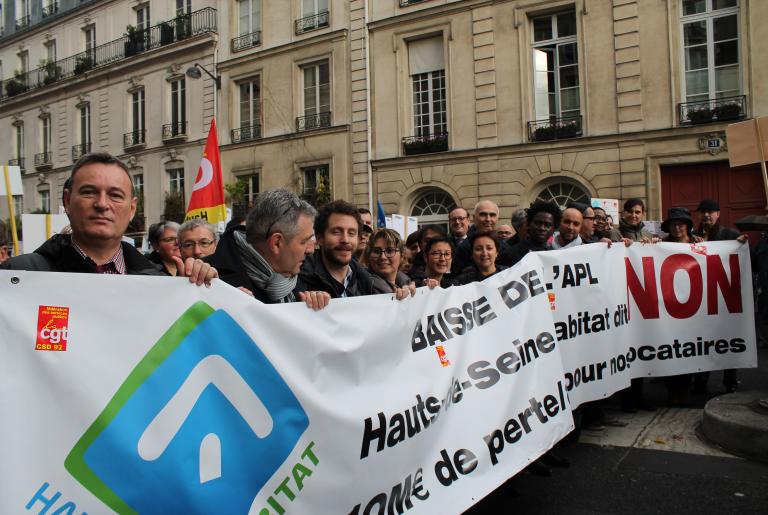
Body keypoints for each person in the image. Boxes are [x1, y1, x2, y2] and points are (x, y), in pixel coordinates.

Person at [2, 152, 216, 285]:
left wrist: (194, 293)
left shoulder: (159, 283)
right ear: (67, 201)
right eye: (88, 192)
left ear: (132, 208)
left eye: (115, 195)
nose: (102, 204)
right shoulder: (19, 276)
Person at [204, 188, 329, 309]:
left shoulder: (305, 279)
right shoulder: (207, 279)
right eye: (304, 241)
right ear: (276, 243)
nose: (311, 250)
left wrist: (312, 310)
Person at [691, 199, 746, 394]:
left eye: (711, 211)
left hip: (722, 298)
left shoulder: (731, 236)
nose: (706, 215)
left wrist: (741, 245)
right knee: (701, 342)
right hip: (699, 299)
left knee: (726, 339)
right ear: (698, 215)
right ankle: (700, 382)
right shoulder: (691, 236)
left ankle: (729, 381)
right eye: (703, 211)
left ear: (718, 214)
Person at [295, 200, 380, 298]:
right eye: (336, 232)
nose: (345, 240)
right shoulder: (298, 281)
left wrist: (400, 299)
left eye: (351, 233)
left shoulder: (367, 281)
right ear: (319, 238)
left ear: (358, 239)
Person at [660, 207, 697, 406]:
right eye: (673, 224)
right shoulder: (661, 245)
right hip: (667, 308)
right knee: (670, 351)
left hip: (692, 310)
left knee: (689, 352)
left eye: (681, 224)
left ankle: (684, 390)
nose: (677, 228)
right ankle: (672, 391)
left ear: (688, 226)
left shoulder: (699, 244)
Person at [506, 201, 561, 267]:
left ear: (553, 229)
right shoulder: (511, 253)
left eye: (547, 225)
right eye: (538, 223)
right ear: (529, 224)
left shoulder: (555, 256)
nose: (542, 228)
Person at [366, 228, 412, 293]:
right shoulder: (361, 287)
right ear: (369, 256)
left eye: (390, 251)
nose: (382, 257)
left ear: (402, 256)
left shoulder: (407, 283)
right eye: (376, 251)